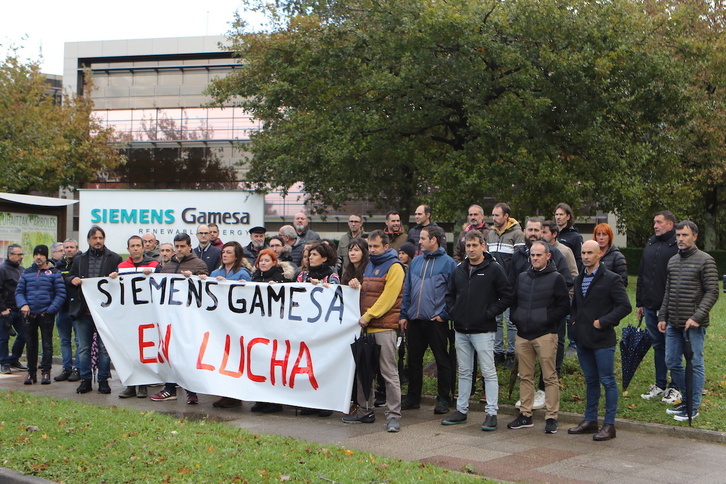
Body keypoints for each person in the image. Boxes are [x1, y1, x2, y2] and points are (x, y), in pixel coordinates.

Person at [441, 230, 513, 431]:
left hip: (483, 330)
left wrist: (489, 313)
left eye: (475, 245)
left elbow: (507, 296)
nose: (471, 249)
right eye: (468, 246)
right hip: (461, 329)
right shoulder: (459, 270)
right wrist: (454, 311)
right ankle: (461, 410)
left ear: (483, 246)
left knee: (488, 372)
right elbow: (450, 294)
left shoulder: (494, 269)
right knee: (464, 371)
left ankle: (491, 412)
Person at [568, 240, 631, 441]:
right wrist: (575, 324)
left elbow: (624, 306)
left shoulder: (611, 279)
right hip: (583, 339)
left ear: (599, 254)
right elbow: (576, 306)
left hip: (603, 340)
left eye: (589, 253)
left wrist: (603, 322)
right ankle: (590, 420)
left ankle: (609, 425)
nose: (585, 256)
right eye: (583, 253)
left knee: (608, 381)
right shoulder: (579, 279)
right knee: (591, 381)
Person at [343, 230, 405, 432]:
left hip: (384, 328)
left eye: (376, 246)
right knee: (364, 372)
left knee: (389, 373)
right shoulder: (370, 265)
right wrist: (356, 286)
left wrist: (367, 316)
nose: (372, 250)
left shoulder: (395, 267)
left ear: (386, 247)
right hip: (366, 327)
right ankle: (364, 410)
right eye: (370, 247)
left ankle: (394, 415)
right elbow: (367, 292)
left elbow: (388, 298)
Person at [658, 220, 719, 422]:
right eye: (678, 235)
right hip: (673, 323)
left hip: (694, 324)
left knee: (695, 363)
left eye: (684, 235)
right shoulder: (673, 261)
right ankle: (687, 399)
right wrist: (662, 316)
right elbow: (668, 291)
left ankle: (693, 407)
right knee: (672, 362)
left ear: (695, 236)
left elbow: (712, 292)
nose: (680, 239)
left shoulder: (705, 260)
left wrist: (697, 317)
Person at [507, 241, 569, 434]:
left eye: (539, 255)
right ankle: (525, 414)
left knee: (549, 377)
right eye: (532, 255)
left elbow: (564, 306)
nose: (535, 258)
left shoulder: (556, 278)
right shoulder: (522, 277)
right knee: (525, 376)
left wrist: (546, 320)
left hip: (545, 334)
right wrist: (516, 318)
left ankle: (552, 416)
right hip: (523, 335)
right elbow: (514, 301)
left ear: (547, 256)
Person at [400, 225, 456, 415]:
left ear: (434, 240)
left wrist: (445, 315)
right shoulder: (415, 262)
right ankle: (413, 397)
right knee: (413, 360)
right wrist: (404, 314)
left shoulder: (448, 264)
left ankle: (443, 399)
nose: (420, 241)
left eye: (423, 238)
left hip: (436, 322)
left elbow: (454, 293)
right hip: (414, 320)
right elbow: (407, 290)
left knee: (442, 361)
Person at [150, 233, 208, 404]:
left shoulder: (199, 264)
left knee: (188, 354)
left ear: (190, 246)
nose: (180, 249)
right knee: (170, 353)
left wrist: (195, 278)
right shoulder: (168, 266)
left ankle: (191, 390)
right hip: (170, 318)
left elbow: (205, 288)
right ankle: (170, 388)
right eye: (177, 246)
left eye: (183, 246)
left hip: (189, 319)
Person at [68, 225, 122, 395]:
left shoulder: (114, 258)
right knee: (83, 348)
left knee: (104, 349)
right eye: (94, 238)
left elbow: (122, 282)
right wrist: (72, 279)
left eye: (100, 238)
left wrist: (116, 276)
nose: (98, 241)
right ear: (88, 240)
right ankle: (85, 380)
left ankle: (103, 380)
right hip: (83, 312)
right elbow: (67, 276)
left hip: (105, 313)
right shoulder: (79, 259)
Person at [109, 235, 161, 399]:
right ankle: (130, 385)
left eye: (139, 245)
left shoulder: (154, 265)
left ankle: (143, 385)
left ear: (143, 247)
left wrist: (152, 275)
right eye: (133, 246)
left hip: (147, 315)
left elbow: (162, 285)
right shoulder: (122, 267)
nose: (136, 248)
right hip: (128, 315)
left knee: (144, 350)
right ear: (128, 249)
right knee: (128, 349)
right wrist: (112, 280)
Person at [636, 211, 680, 403]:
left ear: (670, 225)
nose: (655, 225)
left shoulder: (677, 246)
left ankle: (676, 386)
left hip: (669, 307)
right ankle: (660, 384)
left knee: (673, 347)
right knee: (658, 345)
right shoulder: (651, 243)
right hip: (650, 305)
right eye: (654, 222)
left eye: (659, 222)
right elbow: (642, 273)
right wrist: (640, 302)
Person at [247, 248, 291, 414]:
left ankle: (275, 401)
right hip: (258, 327)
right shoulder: (254, 278)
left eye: (267, 260)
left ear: (274, 262)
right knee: (258, 363)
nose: (263, 263)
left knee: (273, 363)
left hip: (275, 328)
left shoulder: (282, 278)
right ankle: (261, 399)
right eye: (261, 261)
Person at [15, 245, 66, 385]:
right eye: (36, 254)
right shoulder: (26, 273)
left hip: (46, 314)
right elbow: (19, 292)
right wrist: (23, 305)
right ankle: (31, 373)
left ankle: (45, 372)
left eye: (41, 254)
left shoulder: (54, 273)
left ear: (46, 256)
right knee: (30, 344)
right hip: (29, 315)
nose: (38, 257)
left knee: (47, 344)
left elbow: (60, 294)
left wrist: (50, 311)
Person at [487, 202, 525, 368]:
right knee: (495, 320)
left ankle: (510, 353)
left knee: (510, 322)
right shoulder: (490, 234)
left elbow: (519, 262)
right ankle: (497, 352)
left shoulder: (518, 234)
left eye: (497, 215)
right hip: (493, 286)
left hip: (510, 285)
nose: (494, 218)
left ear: (506, 216)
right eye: (493, 215)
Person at [54, 239, 80, 382]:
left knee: (79, 341)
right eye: (66, 247)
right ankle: (66, 368)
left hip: (77, 309)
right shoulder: (59, 265)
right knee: (65, 341)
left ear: (77, 248)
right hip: (62, 308)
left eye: (72, 247)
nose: (69, 250)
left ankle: (78, 368)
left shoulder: (81, 263)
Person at [0, 244, 27, 374]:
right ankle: (4, 363)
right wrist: (2, 308)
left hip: (20, 309)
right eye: (18, 254)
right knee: (3, 338)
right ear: (10, 255)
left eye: (22, 254)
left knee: (24, 335)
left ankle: (14, 359)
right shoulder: (2, 270)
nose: (21, 257)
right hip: (7, 310)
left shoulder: (22, 270)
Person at [555, 202, 583, 272]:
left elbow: (579, 260)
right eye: (556, 214)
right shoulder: (552, 234)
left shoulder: (576, 237)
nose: (558, 217)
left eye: (561, 214)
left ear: (568, 217)